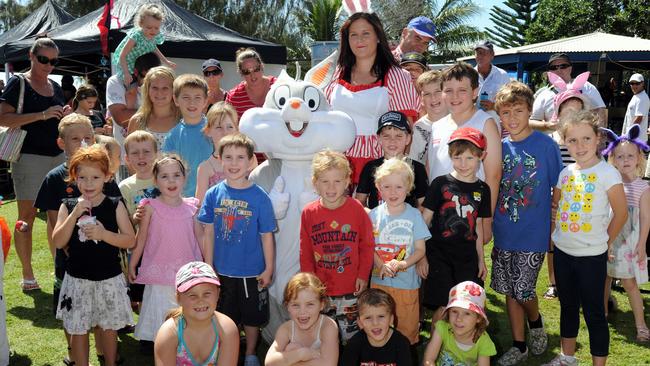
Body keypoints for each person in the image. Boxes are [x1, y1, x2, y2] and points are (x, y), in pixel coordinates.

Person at [34, 114, 123, 365]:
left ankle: (106, 353)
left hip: (104, 261)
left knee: (102, 309)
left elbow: (118, 219)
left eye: (87, 137)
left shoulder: (105, 175)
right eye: (75, 138)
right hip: (70, 261)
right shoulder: (55, 178)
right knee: (74, 313)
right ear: (62, 143)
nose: (82, 142)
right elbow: (54, 222)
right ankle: (73, 354)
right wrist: (62, 254)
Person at [544, 110, 628, 366]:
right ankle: (567, 358)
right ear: (564, 141)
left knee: (594, 314)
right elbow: (556, 206)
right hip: (563, 253)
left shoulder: (608, 173)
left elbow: (622, 214)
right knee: (568, 307)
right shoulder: (565, 174)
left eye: (586, 139)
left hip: (592, 257)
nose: (579, 146)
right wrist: (555, 235)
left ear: (598, 139)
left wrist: (605, 242)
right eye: (572, 140)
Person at [491, 82, 563, 366]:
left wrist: (555, 223)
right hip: (504, 231)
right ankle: (519, 345)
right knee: (509, 290)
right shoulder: (498, 147)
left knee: (523, 290)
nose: (512, 118)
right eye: (506, 112)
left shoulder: (546, 146)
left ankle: (535, 320)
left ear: (529, 111)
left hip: (534, 232)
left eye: (518, 111)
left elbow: (559, 186)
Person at [51, 145, 135, 366]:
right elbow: (58, 241)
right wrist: (75, 214)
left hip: (109, 277)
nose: (88, 183)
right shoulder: (67, 206)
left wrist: (103, 234)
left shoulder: (114, 205)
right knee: (78, 328)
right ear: (74, 177)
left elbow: (130, 240)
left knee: (108, 327)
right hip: (77, 279)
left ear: (107, 177)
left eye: (95, 177)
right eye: (82, 177)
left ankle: (110, 362)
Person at [197, 133, 276, 366]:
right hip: (222, 271)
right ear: (220, 160)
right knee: (224, 316)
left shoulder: (260, 197)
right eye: (228, 157)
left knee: (252, 318)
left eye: (240, 157)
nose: (234, 163)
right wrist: (209, 266)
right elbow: (208, 233)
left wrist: (269, 267)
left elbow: (267, 236)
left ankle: (251, 352)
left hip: (252, 272)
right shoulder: (213, 194)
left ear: (251, 161)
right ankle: (226, 352)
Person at [0, 37, 72, 289]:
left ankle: (59, 271)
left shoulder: (55, 87)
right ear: (31, 56)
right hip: (28, 158)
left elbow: (61, 123)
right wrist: (41, 115)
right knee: (26, 218)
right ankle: (28, 274)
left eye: (53, 61)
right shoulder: (18, 82)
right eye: (43, 59)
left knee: (57, 217)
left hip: (57, 158)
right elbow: (4, 118)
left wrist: (66, 116)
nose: (49, 65)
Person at [325, 11, 419, 185]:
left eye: (366, 33)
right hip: (337, 163)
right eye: (353, 35)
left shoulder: (397, 76)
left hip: (378, 166)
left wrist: (396, 173)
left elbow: (405, 130)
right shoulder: (337, 73)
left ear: (378, 37)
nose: (359, 40)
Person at [300, 150, 374, 343]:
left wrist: (363, 275)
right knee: (324, 336)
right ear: (315, 182)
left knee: (352, 337)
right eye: (325, 181)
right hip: (321, 288)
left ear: (348, 181)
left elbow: (367, 245)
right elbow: (305, 249)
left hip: (351, 286)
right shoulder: (309, 213)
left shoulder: (356, 209)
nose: (331, 187)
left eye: (337, 181)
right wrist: (309, 283)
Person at [128, 155, 203, 344]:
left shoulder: (192, 207)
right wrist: (133, 264)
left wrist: (207, 266)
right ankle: (159, 342)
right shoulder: (150, 207)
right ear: (155, 180)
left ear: (184, 178)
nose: (171, 181)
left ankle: (185, 342)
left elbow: (201, 238)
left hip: (187, 272)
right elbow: (142, 238)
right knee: (161, 307)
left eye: (176, 175)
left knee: (184, 307)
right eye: (164, 176)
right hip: (159, 271)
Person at [420, 127, 492, 324]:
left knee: (465, 304)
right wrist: (421, 256)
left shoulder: (483, 189)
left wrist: (481, 260)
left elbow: (477, 226)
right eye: (458, 157)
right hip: (439, 255)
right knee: (444, 305)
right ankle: (434, 348)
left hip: (467, 258)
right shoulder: (440, 184)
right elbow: (424, 221)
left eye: (470, 158)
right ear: (450, 155)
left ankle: (458, 351)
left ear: (481, 156)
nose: (463, 164)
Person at [427, 62, 501, 239]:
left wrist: (486, 220)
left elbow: (494, 175)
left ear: (475, 92)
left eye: (462, 90)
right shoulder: (437, 126)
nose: (455, 96)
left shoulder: (485, 123)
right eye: (449, 90)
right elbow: (430, 169)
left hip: (469, 215)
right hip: (438, 217)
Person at [368, 158, 429, 345]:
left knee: (404, 333)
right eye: (387, 187)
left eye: (398, 187)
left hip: (407, 286)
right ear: (379, 187)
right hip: (379, 284)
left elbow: (420, 250)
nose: (392, 192)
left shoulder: (414, 215)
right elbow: (369, 247)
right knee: (378, 330)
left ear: (408, 187)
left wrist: (402, 264)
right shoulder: (373, 215)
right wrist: (381, 264)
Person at [601, 125, 650, 342]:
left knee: (629, 283)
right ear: (613, 160)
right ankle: (601, 315)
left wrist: (641, 245)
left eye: (630, 155)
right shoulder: (611, 183)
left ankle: (641, 326)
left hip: (629, 242)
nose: (625, 160)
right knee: (605, 277)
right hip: (610, 237)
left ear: (639, 157)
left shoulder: (643, 188)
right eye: (620, 156)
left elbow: (646, 219)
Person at [543, 85, 591, 300]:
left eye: (577, 111)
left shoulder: (584, 140)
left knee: (577, 239)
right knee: (552, 241)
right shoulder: (551, 139)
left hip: (580, 199)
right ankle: (553, 282)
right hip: (555, 198)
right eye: (567, 110)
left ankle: (577, 282)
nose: (571, 116)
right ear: (558, 112)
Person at [154, 261, 240, 366]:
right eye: (192, 295)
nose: (200, 300)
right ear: (179, 298)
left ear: (217, 294)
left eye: (207, 293)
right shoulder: (169, 333)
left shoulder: (227, 328)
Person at [355, 111, 428, 209]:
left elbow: (423, 204)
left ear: (408, 138)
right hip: (377, 223)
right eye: (386, 136)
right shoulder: (370, 167)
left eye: (398, 136)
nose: (392, 141)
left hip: (407, 223)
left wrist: (413, 220)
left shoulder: (417, 168)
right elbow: (360, 201)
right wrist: (373, 217)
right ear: (379, 139)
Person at [106, 52, 161, 181]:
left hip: (156, 157)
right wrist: (156, 112)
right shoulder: (116, 81)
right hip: (127, 159)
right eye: (145, 77)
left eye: (153, 79)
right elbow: (121, 118)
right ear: (136, 72)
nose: (149, 83)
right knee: (129, 198)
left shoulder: (159, 84)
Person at [264, 272, 339, 366]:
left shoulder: (328, 326)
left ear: (322, 305)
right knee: (292, 348)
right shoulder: (286, 329)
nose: (302, 312)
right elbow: (269, 362)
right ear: (287, 306)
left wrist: (289, 362)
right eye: (295, 305)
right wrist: (301, 354)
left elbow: (329, 364)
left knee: (290, 349)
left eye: (310, 304)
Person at [422, 281, 496, 365]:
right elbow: (429, 359)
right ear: (448, 312)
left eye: (467, 313)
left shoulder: (483, 342)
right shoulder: (442, 328)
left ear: (478, 318)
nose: (459, 319)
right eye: (454, 311)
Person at [162, 74, 212, 197]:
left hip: (214, 198)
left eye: (197, 97)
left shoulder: (215, 129)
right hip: (184, 200)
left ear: (206, 100)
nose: (192, 102)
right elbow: (168, 170)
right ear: (176, 100)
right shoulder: (172, 136)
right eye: (186, 97)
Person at [531, 53, 606, 131]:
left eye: (563, 66)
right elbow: (531, 122)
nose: (559, 70)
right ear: (550, 71)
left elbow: (600, 112)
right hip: (554, 142)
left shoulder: (586, 86)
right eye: (553, 67)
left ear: (570, 68)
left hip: (583, 141)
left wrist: (599, 137)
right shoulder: (544, 94)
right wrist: (546, 125)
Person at [341, 288, 412, 365]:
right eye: (368, 318)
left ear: (391, 319)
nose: (375, 323)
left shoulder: (401, 344)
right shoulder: (354, 344)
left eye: (381, 316)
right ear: (360, 322)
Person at [113, 3, 175, 87]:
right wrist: (126, 73)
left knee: (143, 85)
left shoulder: (154, 35)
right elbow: (122, 55)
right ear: (141, 24)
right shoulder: (136, 36)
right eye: (149, 27)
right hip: (127, 65)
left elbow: (153, 47)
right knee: (129, 87)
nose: (153, 31)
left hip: (139, 65)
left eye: (156, 28)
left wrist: (166, 61)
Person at [127, 66, 180, 149]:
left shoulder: (183, 121)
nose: (160, 93)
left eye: (165, 88)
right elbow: (131, 155)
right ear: (147, 90)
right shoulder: (137, 121)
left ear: (173, 90)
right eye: (155, 88)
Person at [195, 102, 239, 203]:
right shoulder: (205, 168)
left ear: (237, 129)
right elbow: (200, 207)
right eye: (219, 127)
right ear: (208, 131)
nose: (225, 132)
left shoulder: (249, 160)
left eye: (230, 127)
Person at [119, 130, 159, 222]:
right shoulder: (124, 187)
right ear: (127, 158)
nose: (141, 156)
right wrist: (135, 218)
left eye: (146, 151)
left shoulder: (165, 181)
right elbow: (123, 223)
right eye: (135, 153)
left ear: (156, 155)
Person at [409, 70, 447, 166]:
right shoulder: (418, 128)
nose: (433, 98)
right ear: (421, 99)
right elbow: (414, 161)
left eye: (437, 92)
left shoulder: (458, 121)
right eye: (427, 94)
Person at [226, 48, 277, 119]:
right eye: (246, 72)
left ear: (262, 66)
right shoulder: (234, 96)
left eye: (256, 69)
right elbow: (228, 125)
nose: (252, 75)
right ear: (241, 73)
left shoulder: (278, 86)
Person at [473, 40, 511, 135]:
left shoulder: (502, 75)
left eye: (484, 53)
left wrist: (493, 106)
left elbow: (509, 102)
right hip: (472, 125)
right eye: (478, 53)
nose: (480, 56)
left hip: (494, 126)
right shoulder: (468, 75)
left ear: (492, 55)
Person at [622, 74, 649, 138]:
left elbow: (639, 118)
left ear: (642, 83)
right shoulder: (637, 96)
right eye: (632, 83)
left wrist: (628, 135)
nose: (634, 86)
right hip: (633, 138)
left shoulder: (642, 98)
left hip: (636, 139)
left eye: (637, 83)